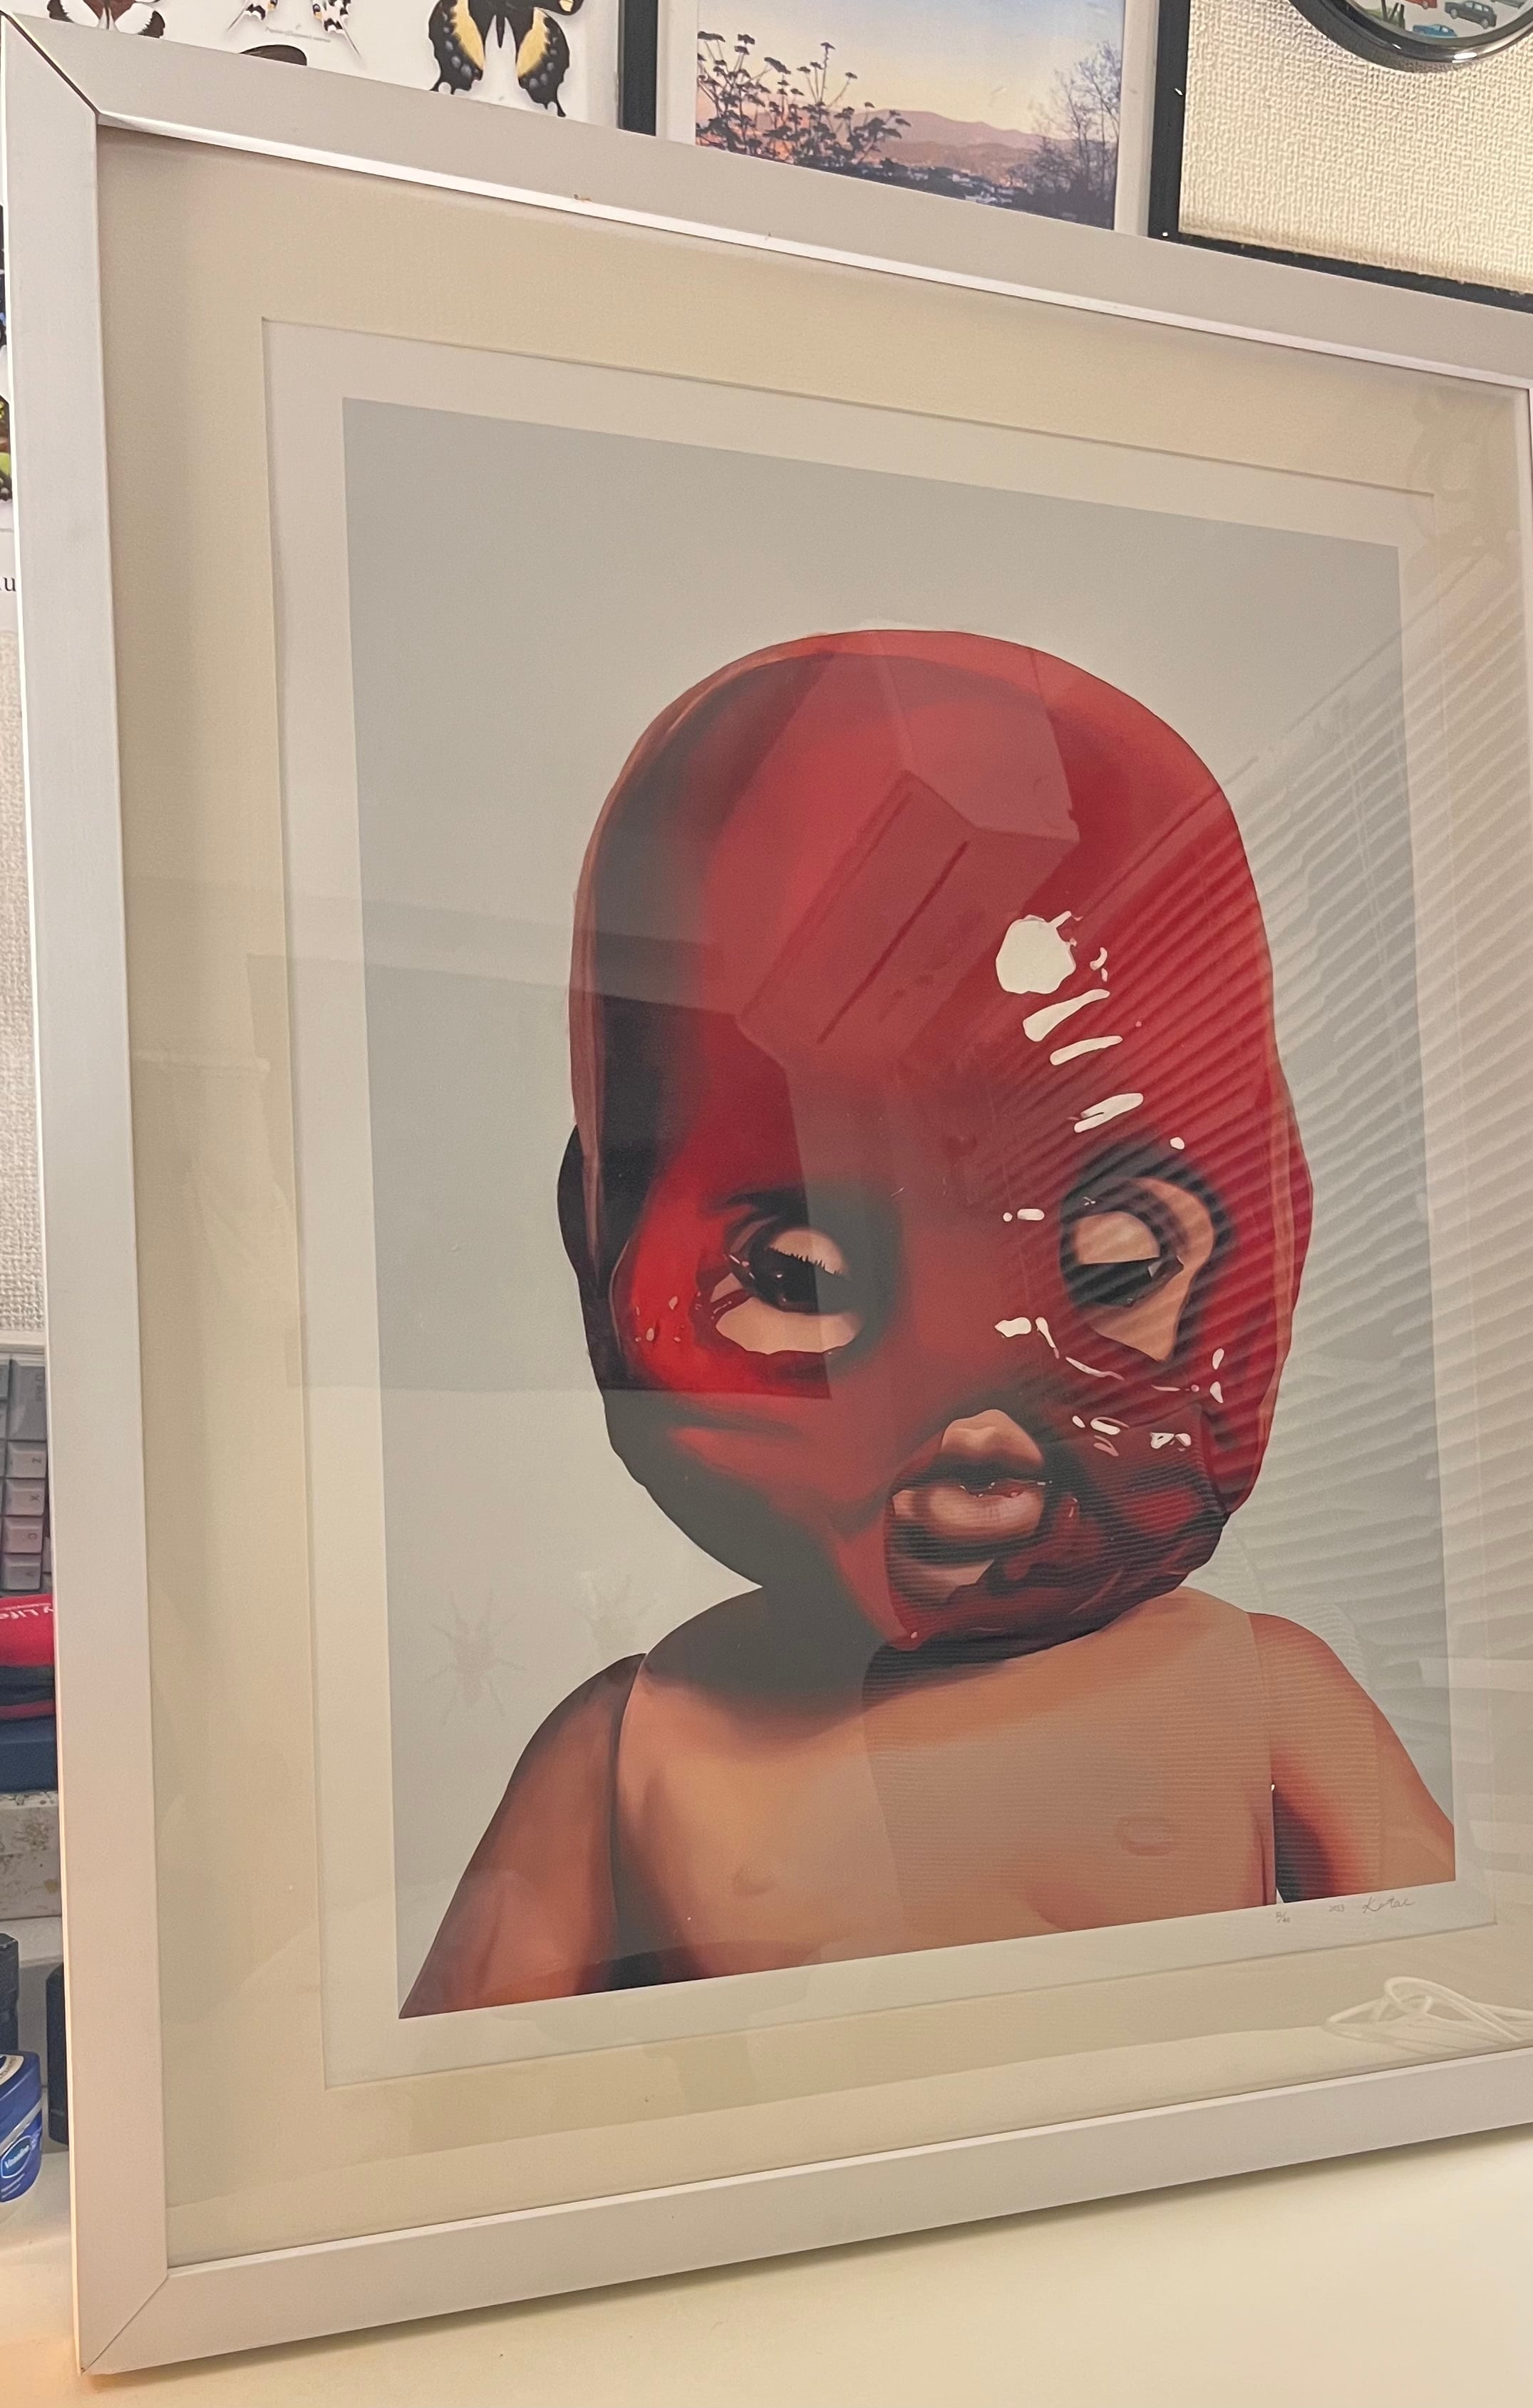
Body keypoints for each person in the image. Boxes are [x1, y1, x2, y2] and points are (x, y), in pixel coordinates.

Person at [404, 629, 1453, 2015]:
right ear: (599, 1246)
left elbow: (1471, 2014)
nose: (979, 1427)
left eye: (1121, 1265)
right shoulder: (635, 1748)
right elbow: (456, 2107)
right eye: (800, 1278)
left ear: (1282, 1225)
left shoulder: (1256, 1696)